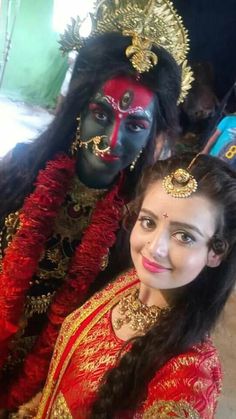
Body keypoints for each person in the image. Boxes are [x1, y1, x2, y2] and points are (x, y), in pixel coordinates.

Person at [0, 0, 193, 411]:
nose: (111, 139)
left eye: (136, 125)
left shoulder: (141, 228)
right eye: (100, 114)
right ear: (76, 112)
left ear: (152, 136)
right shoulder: (16, 172)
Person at [34, 153, 236, 418]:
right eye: (148, 222)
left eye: (184, 236)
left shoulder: (190, 375)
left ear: (216, 253)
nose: (155, 248)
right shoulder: (128, 282)